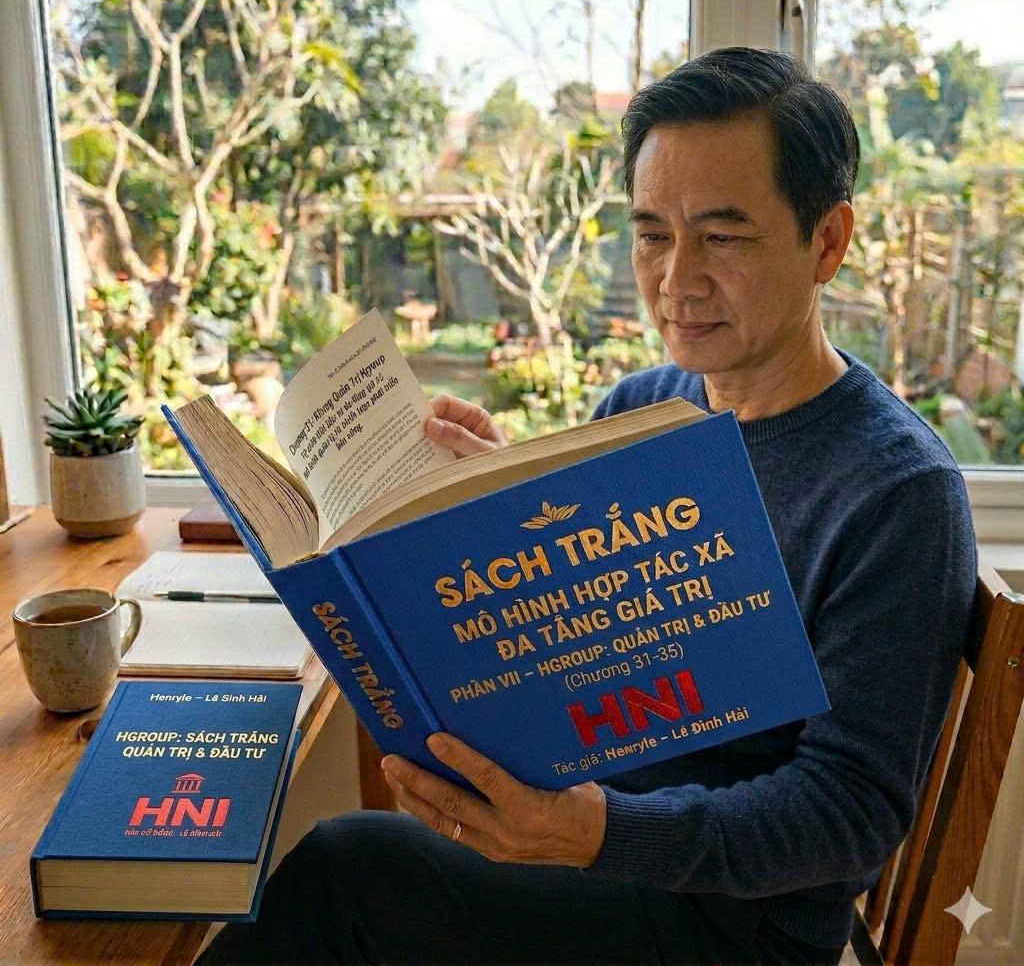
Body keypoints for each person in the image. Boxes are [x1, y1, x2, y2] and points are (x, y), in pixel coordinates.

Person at [197, 47, 977, 965]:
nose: (677, 280)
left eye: (723, 237)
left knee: (348, 874)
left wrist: (596, 833)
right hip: (592, 850)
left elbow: (848, 813)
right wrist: (488, 502)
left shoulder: (898, 492)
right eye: (652, 234)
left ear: (828, 243)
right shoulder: (645, 407)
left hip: (736, 925)